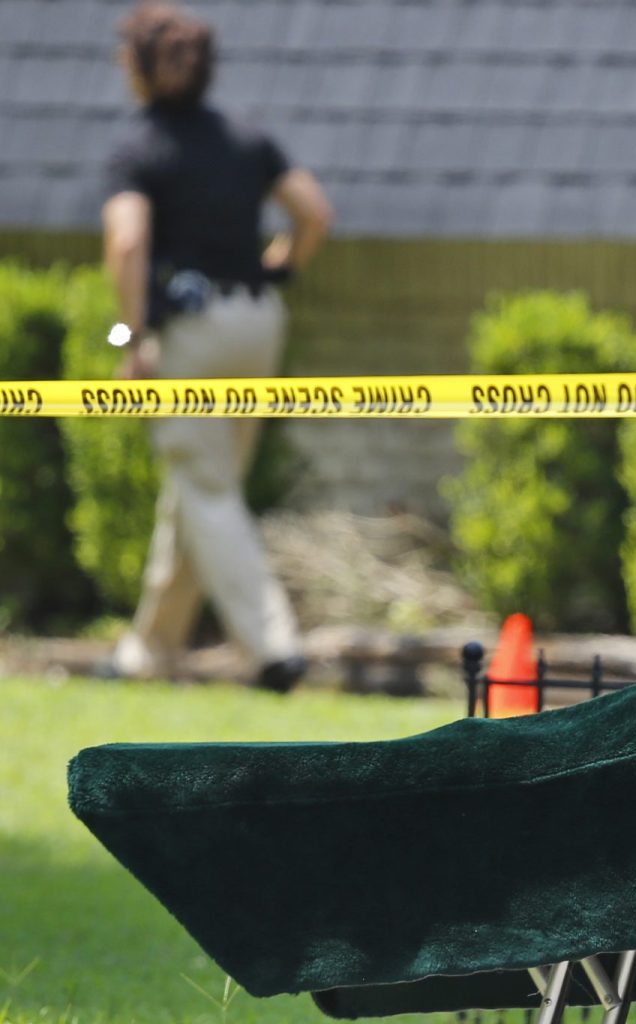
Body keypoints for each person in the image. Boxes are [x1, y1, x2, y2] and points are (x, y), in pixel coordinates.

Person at [99, 2, 332, 692]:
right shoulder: (247, 138)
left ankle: (274, 648)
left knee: (205, 486)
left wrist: (131, 336)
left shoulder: (136, 149)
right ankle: (149, 649)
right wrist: (280, 265)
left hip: (192, 330)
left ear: (138, 68)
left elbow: (127, 242)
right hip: (260, 320)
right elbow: (314, 214)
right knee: (201, 484)